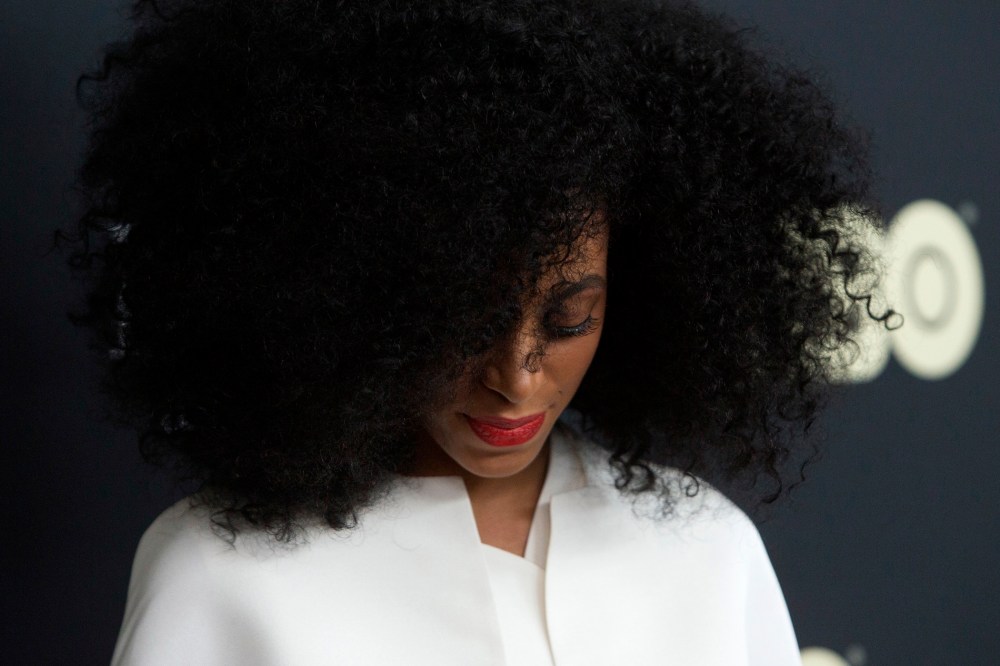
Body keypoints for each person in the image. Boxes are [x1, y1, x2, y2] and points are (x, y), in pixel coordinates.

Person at [61, 0, 891, 663]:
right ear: (349, 294)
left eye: (569, 319)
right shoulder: (220, 576)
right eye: (465, 322)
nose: (517, 376)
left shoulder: (705, 552)